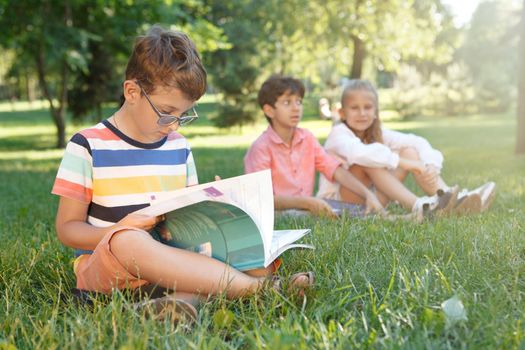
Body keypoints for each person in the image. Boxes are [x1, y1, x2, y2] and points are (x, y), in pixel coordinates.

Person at [52, 27, 312, 323]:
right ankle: (261, 290)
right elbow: (68, 229)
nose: (174, 125)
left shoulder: (179, 146)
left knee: (254, 258)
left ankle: (176, 303)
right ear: (132, 91)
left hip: (173, 259)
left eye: (184, 115)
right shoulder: (88, 144)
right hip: (115, 266)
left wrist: (219, 206)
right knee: (129, 240)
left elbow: (186, 218)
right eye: (167, 112)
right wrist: (118, 229)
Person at [317, 79, 495, 216]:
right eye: (355, 108)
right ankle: (420, 206)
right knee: (369, 160)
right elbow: (360, 154)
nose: (362, 113)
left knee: (409, 151)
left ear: (376, 111)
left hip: (374, 201)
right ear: (342, 113)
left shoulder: (378, 133)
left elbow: (416, 141)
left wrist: (430, 164)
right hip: (342, 204)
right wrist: (404, 163)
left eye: (368, 107)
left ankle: (448, 198)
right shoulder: (338, 135)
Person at [244, 75, 384, 217]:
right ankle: (386, 218)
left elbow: (335, 170)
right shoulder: (261, 148)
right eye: (287, 103)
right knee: (339, 215)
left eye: (299, 102)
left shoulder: (307, 138)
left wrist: (367, 194)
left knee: (354, 210)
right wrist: (307, 203)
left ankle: (388, 217)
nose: (296, 108)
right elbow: (262, 199)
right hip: (278, 213)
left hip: (308, 206)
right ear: (269, 110)